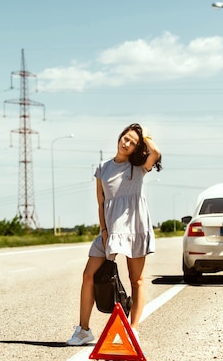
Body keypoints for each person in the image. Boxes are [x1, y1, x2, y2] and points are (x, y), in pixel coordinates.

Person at [66, 123, 162, 346]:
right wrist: (104, 230)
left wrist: (144, 134)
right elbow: (101, 203)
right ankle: (84, 330)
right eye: (125, 138)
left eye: (132, 142)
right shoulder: (103, 168)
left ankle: (133, 330)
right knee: (89, 275)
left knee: (136, 280)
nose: (126, 143)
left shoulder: (138, 167)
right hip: (110, 230)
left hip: (134, 228)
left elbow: (155, 153)